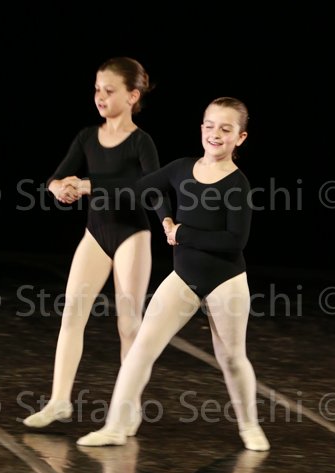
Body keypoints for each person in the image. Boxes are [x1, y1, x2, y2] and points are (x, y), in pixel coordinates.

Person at [76, 96, 270, 452]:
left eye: (225, 129)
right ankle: (116, 426)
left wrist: (181, 233)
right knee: (141, 349)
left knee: (231, 357)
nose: (215, 134)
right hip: (183, 279)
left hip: (226, 281)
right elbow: (141, 188)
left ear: (240, 137)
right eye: (209, 126)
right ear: (201, 128)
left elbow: (234, 241)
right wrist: (93, 187)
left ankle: (250, 427)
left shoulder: (237, 184)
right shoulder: (181, 168)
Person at [23, 57, 160, 428]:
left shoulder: (141, 142)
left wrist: (89, 185)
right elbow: (55, 178)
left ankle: (127, 410)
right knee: (72, 314)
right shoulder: (87, 136)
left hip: (131, 234)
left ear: (132, 96)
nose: (100, 96)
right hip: (95, 234)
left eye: (109, 90)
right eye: (97, 89)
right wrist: (59, 188)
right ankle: (59, 401)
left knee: (128, 324)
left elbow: (149, 190)